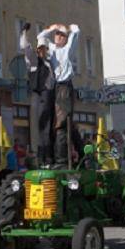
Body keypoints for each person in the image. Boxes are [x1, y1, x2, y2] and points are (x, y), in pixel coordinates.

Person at [37, 23, 80, 168]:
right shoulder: (52, 48)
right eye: (57, 34)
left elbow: (76, 31)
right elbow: (40, 37)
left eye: (61, 35)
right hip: (54, 87)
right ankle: (65, 155)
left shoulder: (68, 49)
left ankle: (62, 160)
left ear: (66, 39)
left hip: (64, 87)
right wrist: (51, 28)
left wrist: (68, 28)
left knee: (61, 123)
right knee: (54, 121)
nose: (58, 36)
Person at [20, 22, 55, 165]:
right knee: (39, 125)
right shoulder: (34, 61)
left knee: (46, 125)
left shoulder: (49, 63)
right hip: (36, 94)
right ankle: (41, 154)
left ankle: (48, 153)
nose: (42, 51)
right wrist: (24, 33)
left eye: (44, 49)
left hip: (47, 94)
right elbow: (25, 47)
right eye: (40, 48)